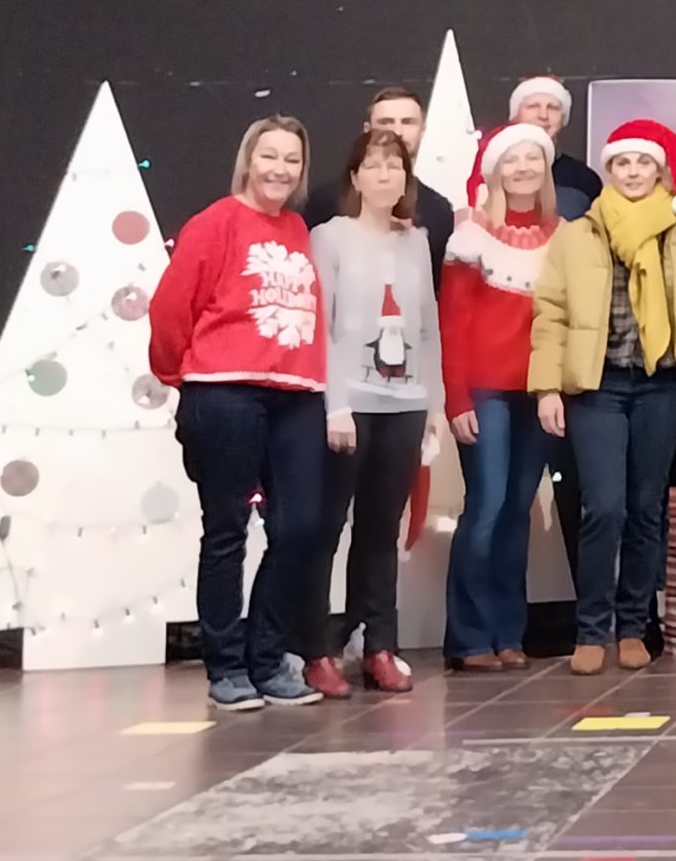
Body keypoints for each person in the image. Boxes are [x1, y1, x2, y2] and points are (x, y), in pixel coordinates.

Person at [148, 116, 327, 710]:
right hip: (225, 392)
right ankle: (226, 667)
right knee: (226, 531)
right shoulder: (215, 222)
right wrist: (182, 374)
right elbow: (171, 308)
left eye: (292, 160)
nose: (280, 169)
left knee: (299, 526)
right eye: (269, 156)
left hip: (296, 392)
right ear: (249, 160)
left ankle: (268, 657)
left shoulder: (297, 227)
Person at [530, 118, 676, 676]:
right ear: (608, 169)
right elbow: (550, 313)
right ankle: (592, 628)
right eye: (622, 163)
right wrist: (547, 387)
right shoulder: (577, 233)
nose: (633, 173)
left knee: (645, 509)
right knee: (603, 508)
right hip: (598, 386)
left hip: (663, 384)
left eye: (644, 163)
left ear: (661, 171)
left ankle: (634, 625)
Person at [303, 128, 440, 698]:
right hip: (349, 406)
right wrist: (335, 404)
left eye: (395, 166)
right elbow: (324, 326)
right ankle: (316, 649)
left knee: (381, 531)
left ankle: (378, 644)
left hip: (404, 404)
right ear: (355, 177)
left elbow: (427, 327)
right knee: (325, 528)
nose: (385, 175)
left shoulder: (416, 241)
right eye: (374, 165)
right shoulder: (330, 237)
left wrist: (431, 405)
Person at [437, 122, 560, 673]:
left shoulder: (563, 237)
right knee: (486, 506)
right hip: (484, 389)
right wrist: (456, 398)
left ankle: (509, 633)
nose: (523, 168)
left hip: (537, 390)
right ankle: (468, 638)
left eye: (533, 158)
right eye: (513, 159)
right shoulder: (471, 237)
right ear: (494, 171)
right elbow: (453, 322)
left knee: (517, 511)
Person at [303, 85, 454, 277]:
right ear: (367, 130)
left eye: (408, 122)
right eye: (386, 122)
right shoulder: (324, 201)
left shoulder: (439, 211)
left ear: (422, 130)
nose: (397, 131)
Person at [509, 76, 600, 224]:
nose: (543, 115)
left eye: (553, 108)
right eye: (533, 106)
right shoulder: (493, 172)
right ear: (515, 115)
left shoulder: (583, 178)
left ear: (563, 119)